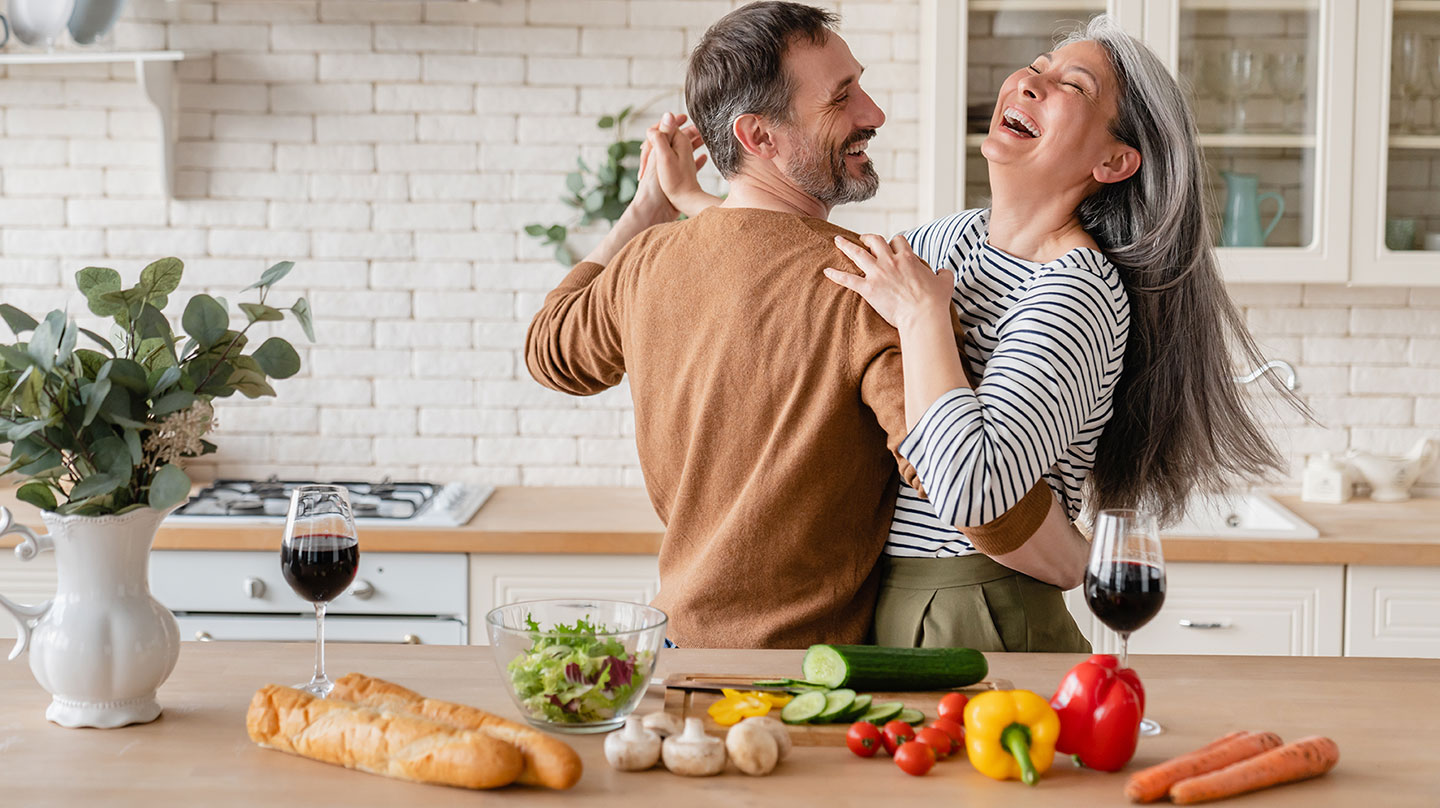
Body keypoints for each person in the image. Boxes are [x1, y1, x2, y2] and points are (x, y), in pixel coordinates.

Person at [644, 14, 1293, 650]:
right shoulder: (951, 240)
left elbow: (975, 490)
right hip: (892, 602)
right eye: (1037, 69)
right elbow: (813, 265)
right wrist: (695, 199)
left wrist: (926, 319)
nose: (1029, 83)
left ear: (1114, 160)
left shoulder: (1075, 290)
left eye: (1073, 87)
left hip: (982, 609)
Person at [525, 1, 1086, 649]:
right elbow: (970, 491)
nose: (873, 113)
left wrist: (645, 208)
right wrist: (1081, 561)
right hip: (800, 677)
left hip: (676, 653)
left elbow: (550, 351)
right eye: (841, 99)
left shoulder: (648, 261)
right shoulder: (866, 285)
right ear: (758, 138)